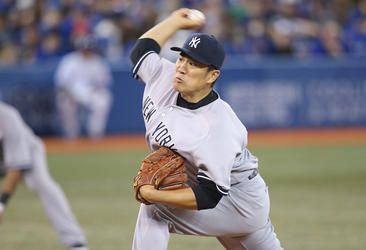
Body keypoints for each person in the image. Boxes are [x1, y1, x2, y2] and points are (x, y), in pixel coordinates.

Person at [129, 8, 283, 250]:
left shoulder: (218, 126)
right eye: (181, 58)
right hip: (227, 197)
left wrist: (154, 195)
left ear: (212, 75)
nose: (181, 67)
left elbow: (209, 195)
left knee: (154, 209)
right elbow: (141, 51)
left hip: (240, 204)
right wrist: (173, 22)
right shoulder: (165, 75)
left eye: (193, 64)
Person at [0, 101, 88, 250]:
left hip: (28, 152)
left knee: (42, 183)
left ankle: (76, 242)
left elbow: (16, 167)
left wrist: (1, 204)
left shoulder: (7, 117)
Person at [54, 35, 113, 139]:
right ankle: (71, 137)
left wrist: (96, 91)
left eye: (89, 49)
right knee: (65, 102)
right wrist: (70, 95)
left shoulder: (98, 62)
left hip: (90, 94)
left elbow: (104, 82)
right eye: (84, 49)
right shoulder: (70, 61)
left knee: (103, 100)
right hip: (71, 94)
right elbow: (61, 83)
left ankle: (95, 135)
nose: (87, 52)